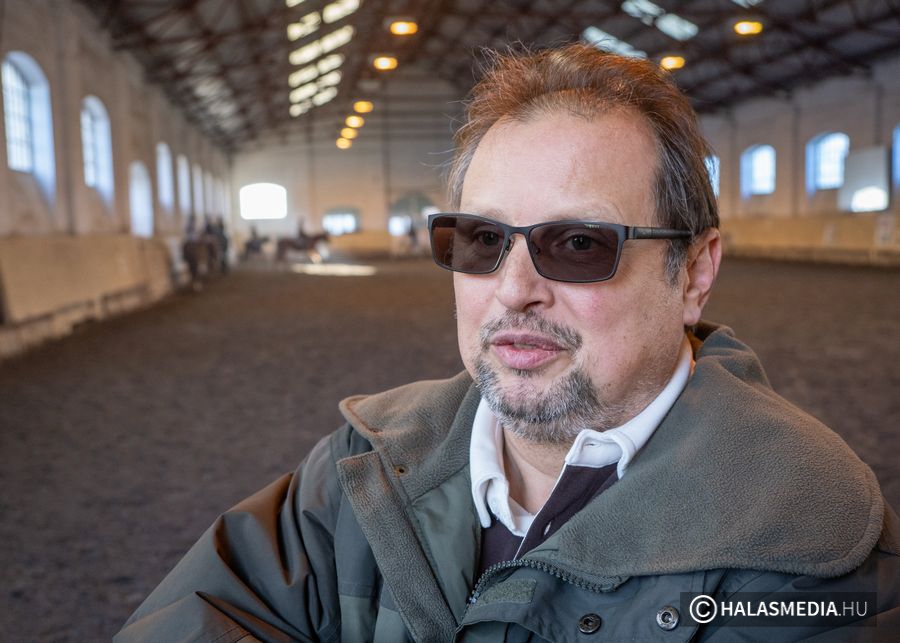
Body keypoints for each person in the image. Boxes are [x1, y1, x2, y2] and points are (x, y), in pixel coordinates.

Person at [117, 44, 899, 642]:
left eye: (579, 244)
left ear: (693, 272)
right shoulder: (359, 470)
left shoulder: (811, 543)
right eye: (483, 239)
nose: (513, 288)